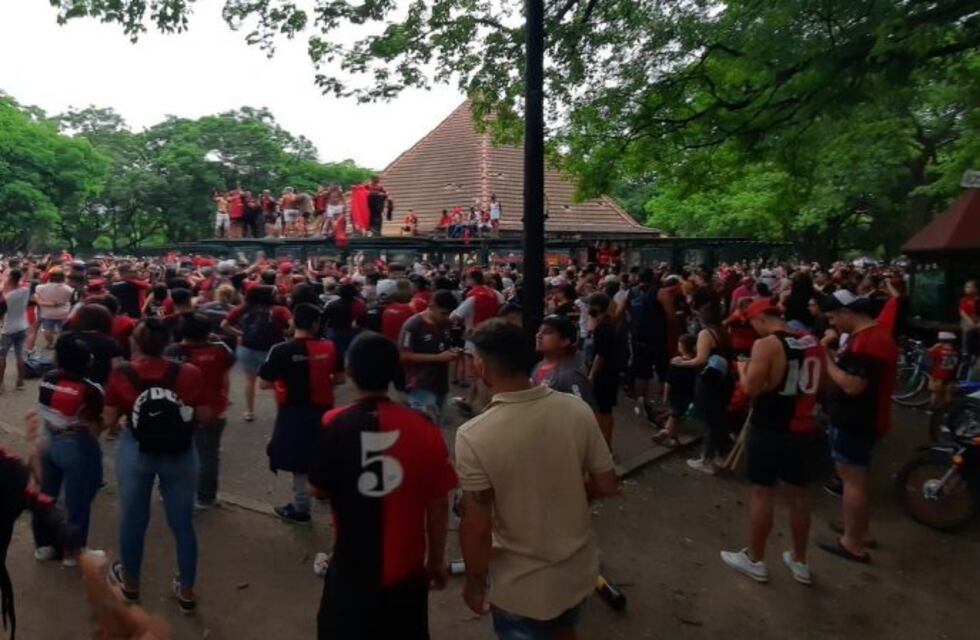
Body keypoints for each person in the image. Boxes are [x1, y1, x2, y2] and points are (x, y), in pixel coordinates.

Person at [455, 319, 619, 640]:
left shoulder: (474, 436)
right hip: (577, 572)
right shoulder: (576, 410)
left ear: (481, 366)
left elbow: (477, 525)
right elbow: (607, 484)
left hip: (521, 585)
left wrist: (475, 584)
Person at [307, 332, 456, 639]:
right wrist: (437, 560)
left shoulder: (333, 423)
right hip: (407, 570)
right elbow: (438, 501)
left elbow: (318, 488)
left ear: (350, 371)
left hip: (350, 567)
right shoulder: (424, 427)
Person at [103, 318, 207, 614]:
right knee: (183, 524)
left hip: (136, 451)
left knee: (134, 518)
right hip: (181, 454)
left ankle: (131, 585)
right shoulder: (189, 372)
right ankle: (186, 592)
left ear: (135, 343)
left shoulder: (122, 373)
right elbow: (205, 414)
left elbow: (108, 420)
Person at [719, 299, 824, 585]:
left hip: (771, 427)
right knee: (799, 495)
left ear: (761, 319)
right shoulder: (812, 342)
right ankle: (800, 560)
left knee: (761, 493)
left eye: (752, 323)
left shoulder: (766, 346)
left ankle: (755, 559)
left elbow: (750, 388)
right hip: (804, 430)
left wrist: (743, 368)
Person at [817, 290, 897, 564]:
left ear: (846, 313)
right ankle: (860, 530)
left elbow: (853, 385)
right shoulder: (868, 336)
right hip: (860, 419)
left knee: (852, 480)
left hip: (856, 420)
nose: (833, 325)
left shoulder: (869, 342)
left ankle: (852, 542)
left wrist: (824, 358)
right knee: (858, 479)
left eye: (833, 318)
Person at [258, 303, 342, 523]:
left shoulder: (280, 350)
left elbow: (264, 383)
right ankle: (323, 490)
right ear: (316, 324)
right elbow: (340, 379)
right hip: (324, 409)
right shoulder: (330, 347)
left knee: (299, 460)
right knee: (321, 451)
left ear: (293, 322)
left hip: (293, 412)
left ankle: (301, 508)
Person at [32, 334, 105, 567]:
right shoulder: (91, 389)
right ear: (86, 362)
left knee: (46, 496)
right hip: (76, 445)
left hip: (48, 439)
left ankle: (45, 545)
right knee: (78, 501)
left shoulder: (47, 378)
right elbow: (94, 428)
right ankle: (73, 553)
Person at [164, 314, 236, 509]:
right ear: (208, 332)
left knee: (175, 452)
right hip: (213, 409)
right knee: (208, 455)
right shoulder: (220, 351)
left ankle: (173, 492)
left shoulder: (172, 351)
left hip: (176, 410)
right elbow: (225, 377)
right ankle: (205, 497)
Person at [674, 303, 735, 475]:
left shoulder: (706, 333)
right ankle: (719, 454)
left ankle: (706, 458)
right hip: (725, 380)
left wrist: (682, 362)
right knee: (719, 417)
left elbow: (700, 359)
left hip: (710, 381)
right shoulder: (723, 332)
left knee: (708, 419)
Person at [221, 285, 292, 422]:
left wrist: (241, 334)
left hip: (247, 347)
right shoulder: (279, 310)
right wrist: (286, 333)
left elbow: (224, 325)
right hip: (271, 350)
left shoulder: (243, 308)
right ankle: (280, 412)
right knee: (277, 381)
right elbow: (292, 324)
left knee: (249, 380)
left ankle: (249, 411)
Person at [399, 290, 460, 425]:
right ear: (432, 306)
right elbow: (404, 355)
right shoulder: (413, 325)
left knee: (435, 427)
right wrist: (438, 358)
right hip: (421, 386)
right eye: (443, 313)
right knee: (421, 428)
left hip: (440, 385)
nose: (446, 317)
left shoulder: (445, 323)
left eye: (449, 313)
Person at [450, 270, 504, 417]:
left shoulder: (472, 298)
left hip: (474, 341)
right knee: (486, 374)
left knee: (477, 376)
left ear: (471, 279)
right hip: (493, 338)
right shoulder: (496, 294)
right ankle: (469, 401)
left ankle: (487, 409)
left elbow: (454, 317)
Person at [532, 314, 596, 411]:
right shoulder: (538, 366)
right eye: (539, 331)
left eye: (548, 332)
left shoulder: (570, 375)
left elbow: (586, 412)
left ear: (564, 341)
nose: (539, 335)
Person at [651, 333, 698, 446]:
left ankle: (666, 431)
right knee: (676, 416)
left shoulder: (675, 362)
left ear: (681, 346)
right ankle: (673, 438)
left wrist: (665, 395)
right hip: (688, 394)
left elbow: (669, 382)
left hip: (675, 393)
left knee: (674, 414)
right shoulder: (695, 362)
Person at [587, 292, 619, 448]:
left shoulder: (603, 327)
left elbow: (600, 355)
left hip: (604, 374)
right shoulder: (607, 324)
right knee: (605, 410)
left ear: (597, 307)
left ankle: (604, 446)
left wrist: (592, 374)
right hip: (610, 372)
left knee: (602, 411)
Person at [0, 269, 30, 393]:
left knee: (2, 356)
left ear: (10, 279)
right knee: (19, 355)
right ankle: (20, 382)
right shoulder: (25, 291)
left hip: (8, 328)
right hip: (22, 326)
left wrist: (3, 287)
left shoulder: (6, 297)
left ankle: (0, 384)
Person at [34, 267, 74, 351]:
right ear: (63, 277)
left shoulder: (40, 287)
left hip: (47, 313)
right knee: (63, 330)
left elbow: (37, 297)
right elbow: (68, 299)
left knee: (47, 330)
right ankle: (62, 344)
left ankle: (50, 344)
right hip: (63, 312)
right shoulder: (69, 289)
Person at [927, 331, 959, 411]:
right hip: (950, 376)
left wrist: (934, 347)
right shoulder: (955, 352)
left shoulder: (938, 351)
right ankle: (945, 409)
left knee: (935, 393)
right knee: (947, 393)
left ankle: (932, 408)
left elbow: (928, 354)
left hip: (938, 375)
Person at [959, 279, 979, 357]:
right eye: (965, 287)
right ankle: (965, 351)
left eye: (968, 287)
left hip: (977, 320)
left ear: (976, 289)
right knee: (966, 329)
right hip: (967, 320)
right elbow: (962, 312)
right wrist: (970, 322)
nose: (966, 288)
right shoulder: (964, 300)